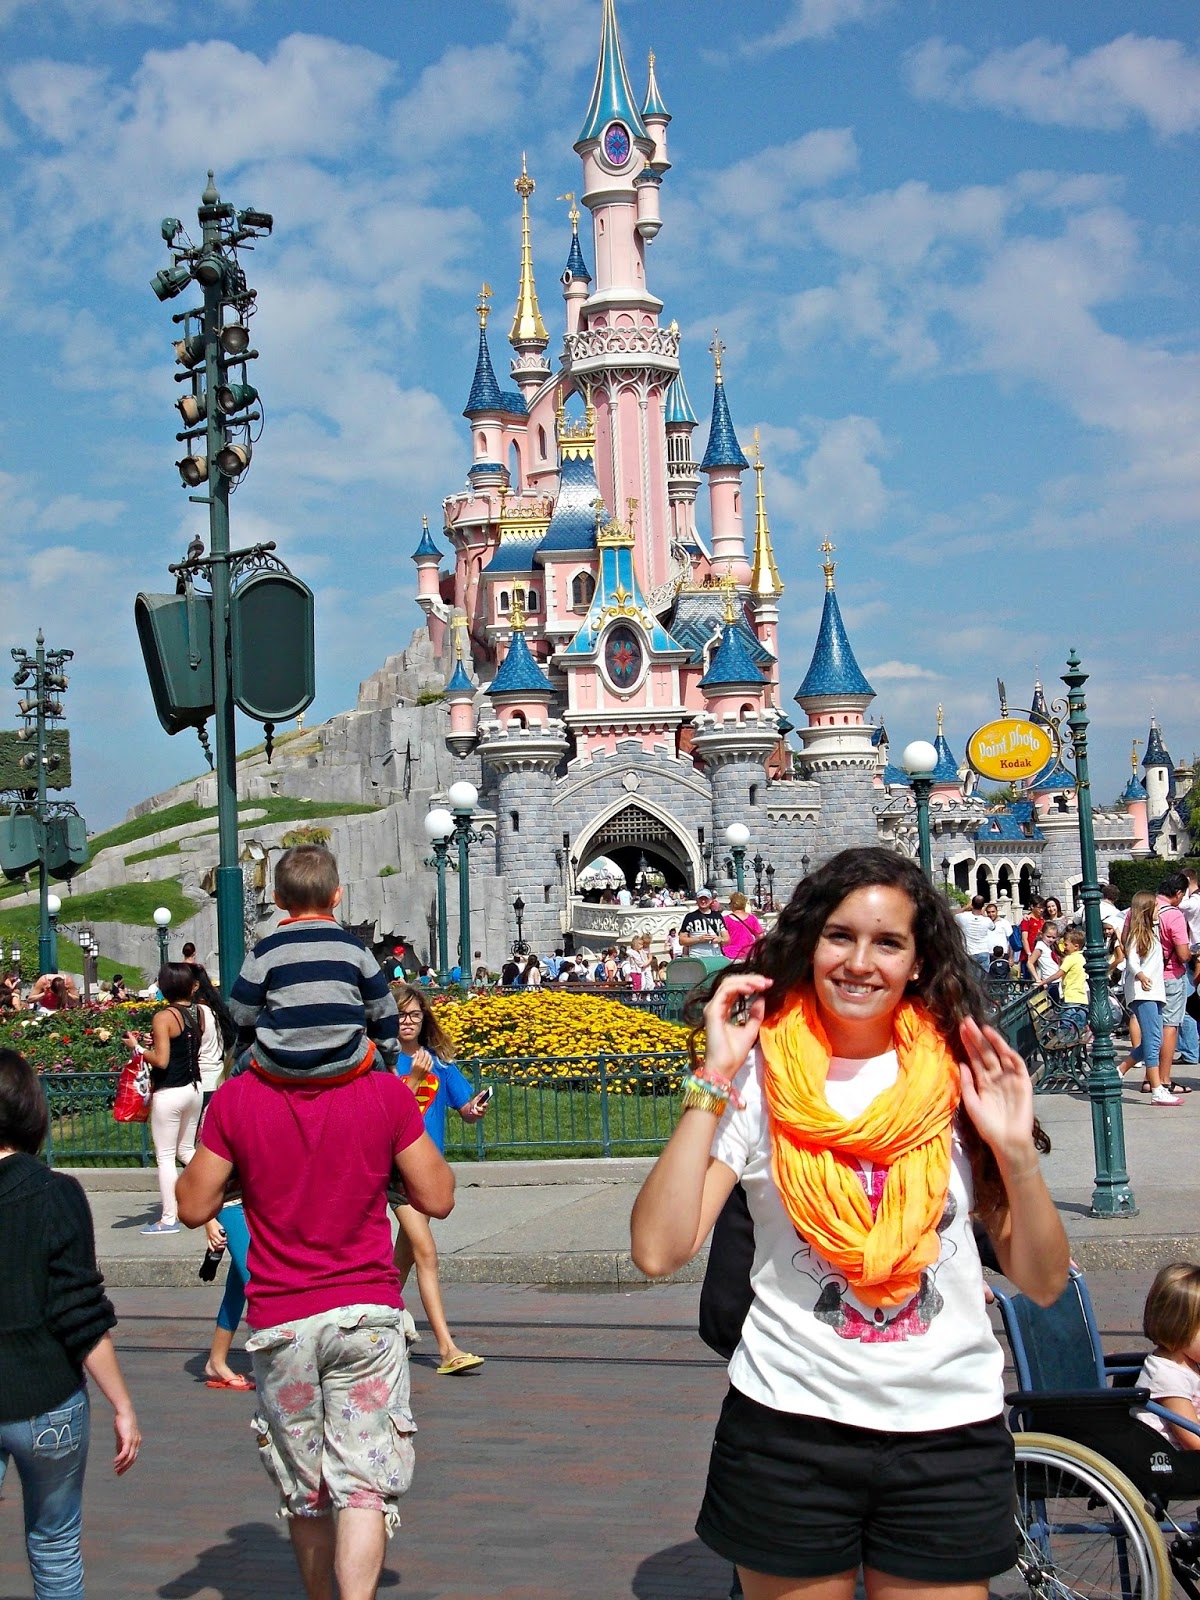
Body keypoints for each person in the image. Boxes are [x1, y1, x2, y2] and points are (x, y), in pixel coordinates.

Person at [630, 846, 1068, 1600]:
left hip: (947, 1431)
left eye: (887, 942)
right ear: (811, 943)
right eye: (840, 936)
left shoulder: (962, 1079)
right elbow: (657, 1249)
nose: (860, 962)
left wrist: (1015, 1152)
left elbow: (1044, 1279)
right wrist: (714, 1075)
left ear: (918, 962)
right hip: (788, 1428)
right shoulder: (760, 1077)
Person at [176, 1033, 454, 1600]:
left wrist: (243, 1170)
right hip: (366, 1313)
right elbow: (439, 1196)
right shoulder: (382, 1092)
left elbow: (192, 1205)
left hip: (285, 1318)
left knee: (307, 1493)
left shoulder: (238, 1098)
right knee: (364, 1490)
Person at [0, 1050, 141, 1596]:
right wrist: (122, 1405)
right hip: (49, 1399)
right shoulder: (56, 1194)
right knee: (55, 1544)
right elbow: (79, 1313)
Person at [227, 844, 400, 1083]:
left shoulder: (264, 952)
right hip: (347, 1059)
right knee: (384, 1075)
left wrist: (244, 1044)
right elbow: (382, 1008)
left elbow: (242, 1011)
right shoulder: (355, 949)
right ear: (337, 896)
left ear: (277, 900)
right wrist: (389, 1055)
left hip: (279, 1061)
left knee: (232, 1076)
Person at [389, 983, 489, 1375]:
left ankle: (376, 1326)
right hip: (396, 1170)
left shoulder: (438, 1063)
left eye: (414, 1015)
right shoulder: (380, 1061)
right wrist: (413, 1078)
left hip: (428, 1170)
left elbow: (463, 1107)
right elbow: (390, 1113)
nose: (408, 1022)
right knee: (426, 1252)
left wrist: (473, 1109)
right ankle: (448, 1349)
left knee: (404, 1256)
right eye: (401, 1015)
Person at [123, 962, 204, 1235]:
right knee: (186, 1150)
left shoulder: (164, 1016)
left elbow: (161, 1060)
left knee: (166, 1157)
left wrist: (137, 1048)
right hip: (193, 1089)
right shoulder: (196, 1014)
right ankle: (224, 1188)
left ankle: (169, 1218)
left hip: (170, 1092)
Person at [1117, 891, 1182, 1104]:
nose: (1159, 909)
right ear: (1147, 910)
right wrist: (1141, 975)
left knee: (1154, 1040)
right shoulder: (1138, 935)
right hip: (1143, 991)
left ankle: (1120, 1071)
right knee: (1153, 1040)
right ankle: (1157, 1089)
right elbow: (1132, 959)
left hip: (1154, 992)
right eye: (1156, 906)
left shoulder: (1152, 932)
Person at [1136, 1262, 1200, 1452]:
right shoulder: (1167, 1376)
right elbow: (1193, 1440)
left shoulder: (1189, 1362)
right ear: (1179, 1327)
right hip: (1172, 1461)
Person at [1056, 928, 1089, 1029]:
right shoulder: (1082, 958)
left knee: (1066, 1025)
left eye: (1066, 945)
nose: (1064, 947)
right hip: (1082, 998)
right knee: (1079, 1027)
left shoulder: (1070, 958)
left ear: (1076, 946)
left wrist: (1043, 982)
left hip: (1070, 997)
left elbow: (1058, 974)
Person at [679, 891, 727, 958]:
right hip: (697, 958)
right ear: (697, 900)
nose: (703, 901)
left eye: (706, 899)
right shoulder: (690, 917)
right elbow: (681, 940)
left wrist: (720, 939)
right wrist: (699, 939)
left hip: (716, 957)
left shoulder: (718, 916)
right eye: (701, 899)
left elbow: (727, 939)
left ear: (711, 900)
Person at [955, 895, 995, 972]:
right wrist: (983, 914)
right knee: (983, 977)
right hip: (983, 951)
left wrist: (965, 907)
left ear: (972, 905)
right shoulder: (986, 920)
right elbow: (993, 927)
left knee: (970, 977)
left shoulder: (963, 917)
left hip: (969, 952)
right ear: (983, 906)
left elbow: (952, 915)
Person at [721, 892, 764, 962]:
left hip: (731, 954)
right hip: (748, 953)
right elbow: (760, 936)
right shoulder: (752, 918)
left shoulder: (725, 919)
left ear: (732, 905)